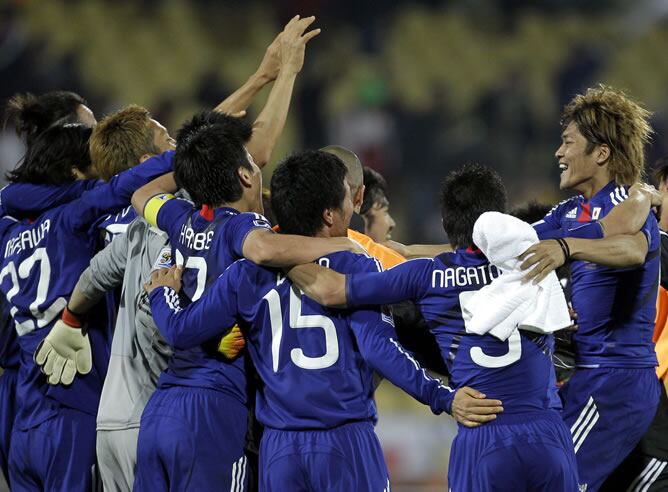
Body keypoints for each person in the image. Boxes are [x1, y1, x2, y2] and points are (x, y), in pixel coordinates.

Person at [32, 18, 314, 490]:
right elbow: (236, 152)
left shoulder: (119, 221)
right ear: (151, 165)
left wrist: (71, 320)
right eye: (167, 143)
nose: (177, 150)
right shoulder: (181, 212)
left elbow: (92, 277)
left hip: (111, 419)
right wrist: (281, 74)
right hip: (166, 407)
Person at [144, 150, 494, 491]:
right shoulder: (355, 265)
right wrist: (442, 397)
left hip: (279, 451)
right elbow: (379, 349)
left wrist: (161, 292)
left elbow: (182, 329)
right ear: (329, 215)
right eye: (346, 196)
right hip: (345, 442)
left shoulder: (246, 274)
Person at [287, 163, 579, 491]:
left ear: (444, 223)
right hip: (547, 434)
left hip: (481, 434)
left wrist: (278, 252)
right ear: (499, 219)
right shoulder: (537, 262)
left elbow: (332, 290)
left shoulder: (425, 276)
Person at [0, 123, 173, 491]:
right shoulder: (73, 218)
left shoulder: (6, 234)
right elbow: (125, 185)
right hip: (72, 409)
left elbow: (11, 197)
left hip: (23, 419)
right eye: (93, 168)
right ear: (75, 173)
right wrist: (189, 152)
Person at [520, 85, 662, 491]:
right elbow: (510, 244)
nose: (559, 153)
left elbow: (633, 252)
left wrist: (567, 248)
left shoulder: (629, 205)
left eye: (568, 142)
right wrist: (405, 252)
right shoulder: (568, 211)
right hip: (588, 376)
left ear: (600, 153)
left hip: (615, 380)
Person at [0, 89, 97, 487]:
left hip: (27, 392)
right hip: (50, 390)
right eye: (90, 131)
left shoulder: (13, 210)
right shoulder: (73, 209)